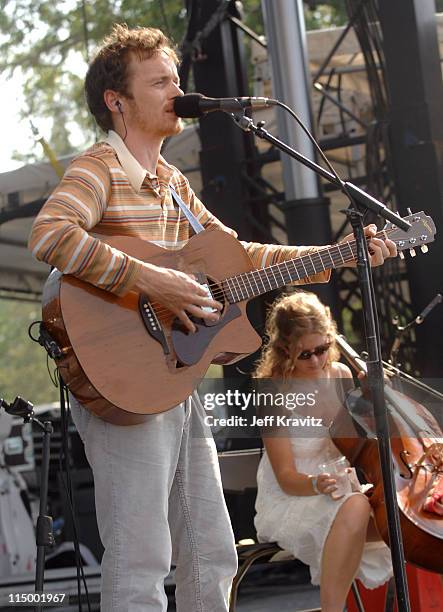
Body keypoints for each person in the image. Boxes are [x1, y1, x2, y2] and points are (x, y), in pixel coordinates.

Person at [28, 23, 396, 612]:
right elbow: (49, 235)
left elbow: (244, 259)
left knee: (212, 550)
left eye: (176, 77)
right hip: (120, 378)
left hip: (174, 381)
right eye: (159, 81)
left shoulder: (173, 184)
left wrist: (341, 253)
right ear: (116, 102)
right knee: (142, 554)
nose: (177, 89)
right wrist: (152, 279)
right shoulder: (98, 168)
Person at [253, 291, 393, 612]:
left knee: (399, 520)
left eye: (322, 349)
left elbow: (363, 449)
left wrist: (377, 401)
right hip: (296, 495)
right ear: (285, 348)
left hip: (342, 493)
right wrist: (317, 484)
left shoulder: (342, 376)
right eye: (305, 355)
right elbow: (286, 478)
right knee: (357, 506)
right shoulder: (273, 392)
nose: (316, 360)